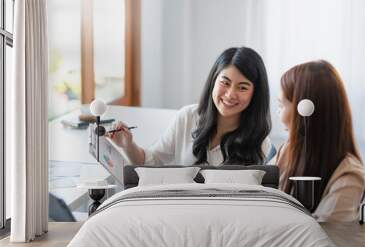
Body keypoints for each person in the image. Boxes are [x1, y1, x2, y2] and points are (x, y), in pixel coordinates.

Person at [108, 47, 274, 166]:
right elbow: (152, 162)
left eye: (242, 87)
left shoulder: (261, 143)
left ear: (255, 94)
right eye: (225, 82)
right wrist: (128, 145)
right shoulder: (188, 117)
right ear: (213, 82)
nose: (230, 94)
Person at [274, 60, 365, 222]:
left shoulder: (349, 175)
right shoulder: (287, 151)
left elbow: (324, 237)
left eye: (281, 106)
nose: (278, 113)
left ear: (304, 111)